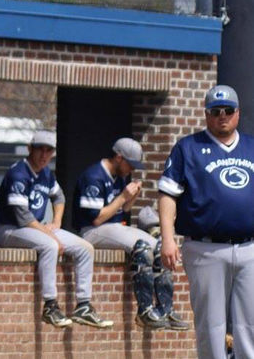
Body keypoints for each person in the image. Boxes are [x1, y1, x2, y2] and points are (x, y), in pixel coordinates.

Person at [158, 85, 254, 358]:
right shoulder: (188, 148)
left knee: (250, 325)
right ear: (206, 114)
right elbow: (167, 195)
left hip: (250, 248)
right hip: (205, 248)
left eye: (227, 111)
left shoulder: (251, 146)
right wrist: (167, 239)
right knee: (211, 325)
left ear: (237, 113)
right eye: (215, 111)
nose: (221, 116)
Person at [0, 130, 112, 329]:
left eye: (48, 151)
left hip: (36, 229)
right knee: (50, 246)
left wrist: (56, 221)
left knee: (85, 248)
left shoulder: (46, 173)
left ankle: (83, 306)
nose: (44, 155)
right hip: (10, 230)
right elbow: (22, 217)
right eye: (40, 149)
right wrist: (49, 234)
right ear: (30, 149)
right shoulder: (19, 173)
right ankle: (50, 306)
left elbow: (59, 197)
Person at [72, 138, 188, 331]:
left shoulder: (120, 176)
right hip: (91, 231)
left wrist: (130, 199)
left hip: (113, 227)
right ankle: (144, 311)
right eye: (130, 164)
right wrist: (123, 196)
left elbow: (121, 210)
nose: (131, 170)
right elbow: (96, 219)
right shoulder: (93, 176)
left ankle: (165, 309)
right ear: (118, 157)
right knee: (142, 245)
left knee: (160, 245)